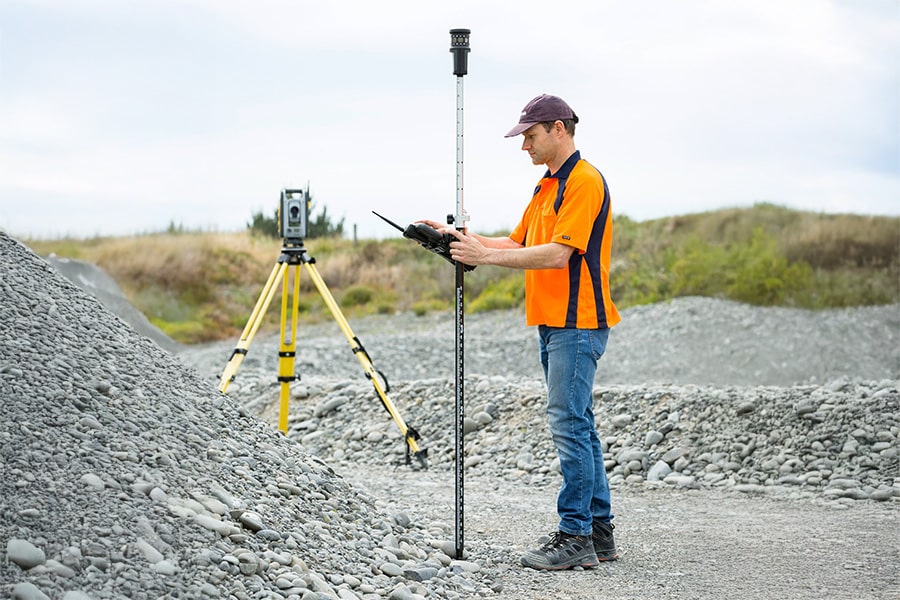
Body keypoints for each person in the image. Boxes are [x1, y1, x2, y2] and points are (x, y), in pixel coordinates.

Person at [421, 93, 621, 571]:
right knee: (581, 424)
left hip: (577, 321)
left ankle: (575, 536)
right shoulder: (546, 186)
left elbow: (557, 254)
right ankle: (599, 532)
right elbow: (517, 243)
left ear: (557, 128)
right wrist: (462, 242)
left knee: (569, 425)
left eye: (530, 136)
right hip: (553, 322)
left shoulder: (584, 182)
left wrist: (484, 258)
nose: (524, 146)